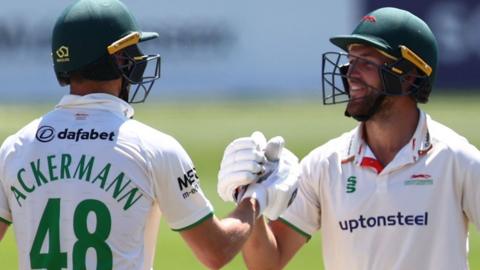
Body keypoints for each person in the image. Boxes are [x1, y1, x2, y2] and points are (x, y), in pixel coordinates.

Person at [0, 0, 299, 269]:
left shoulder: (15, 148)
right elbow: (216, 251)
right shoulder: (154, 148)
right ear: (118, 60)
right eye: (131, 51)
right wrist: (254, 198)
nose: (138, 58)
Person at [218, 7, 480, 270]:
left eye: (366, 62)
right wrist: (252, 200)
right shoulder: (323, 165)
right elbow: (268, 263)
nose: (350, 74)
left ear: (408, 75)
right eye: (350, 61)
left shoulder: (457, 160)